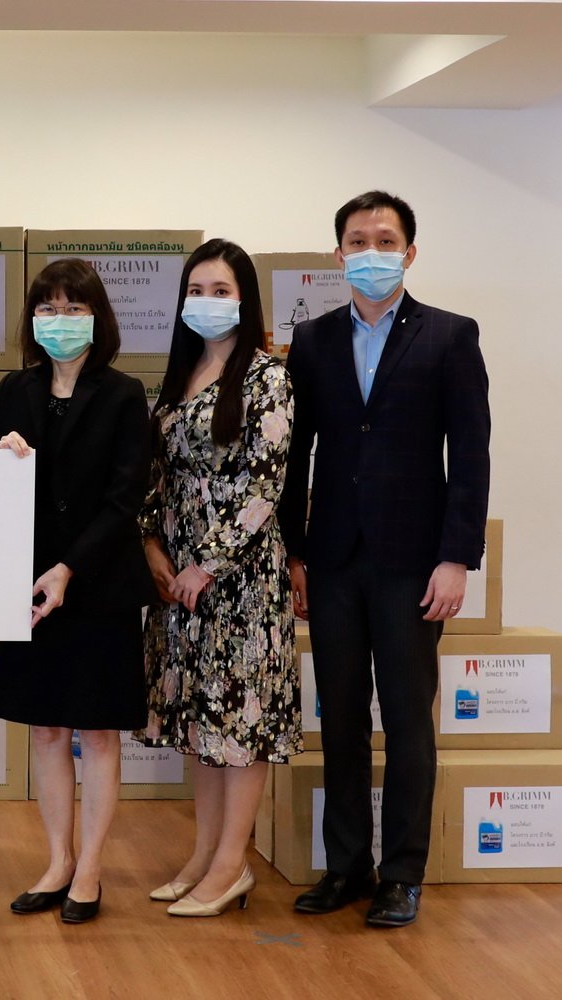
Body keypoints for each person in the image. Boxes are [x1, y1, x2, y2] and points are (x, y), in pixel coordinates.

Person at [279, 192, 489, 928]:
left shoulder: (451, 335)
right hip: (333, 559)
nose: (372, 252)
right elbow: (295, 455)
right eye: (358, 240)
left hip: (413, 563)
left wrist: (457, 558)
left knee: (406, 720)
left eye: (386, 240)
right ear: (338, 254)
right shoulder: (312, 341)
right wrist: (294, 553)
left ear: (410, 252)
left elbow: (469, 455)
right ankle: (346, 867)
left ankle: (402, 874)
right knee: (339, 718)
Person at [0, 259, 153, 925]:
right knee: (47, 729)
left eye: (73, 307)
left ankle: (91, 869)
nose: (60, 320)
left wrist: (69, 568)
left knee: (98, 733)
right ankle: (57, 860)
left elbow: (125, 499)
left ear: (97, 317)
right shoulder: (13, 388)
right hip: (27, 582)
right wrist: (2, 460)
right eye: (48, 308)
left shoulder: (124, 393)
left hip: (99, 584)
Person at [137, 238, 300, 917]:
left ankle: (232, 864)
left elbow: (266, 488)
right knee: (201, 727)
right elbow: (157, 474)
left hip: (239, 585)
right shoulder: (180, 374)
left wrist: (206, 563)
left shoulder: (267, 378)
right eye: (196, 291)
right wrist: (152, 544)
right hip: (179, 585)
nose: (207, 302)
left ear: (245, 300)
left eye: (221, 291)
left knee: (239, 725)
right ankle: (203, 856)